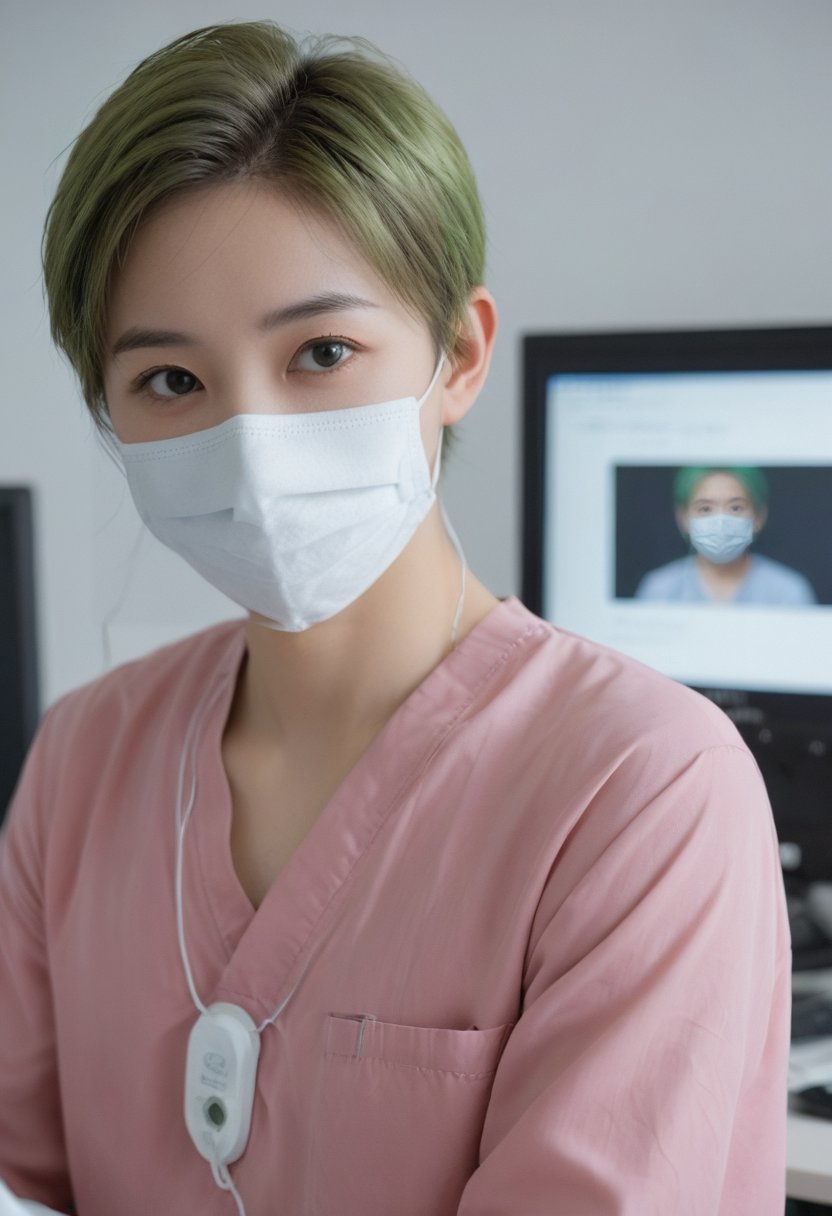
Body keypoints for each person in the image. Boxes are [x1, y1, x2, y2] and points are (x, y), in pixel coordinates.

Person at [0, 21, 791, 1216]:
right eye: (171, 381)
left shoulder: (642, 787)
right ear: (108, 414)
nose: (252, 446)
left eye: (321, 352)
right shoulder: (84, 760)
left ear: (459, 355)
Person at [635, 465, 817, 604]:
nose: (720, 520)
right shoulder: (658, 590)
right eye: (705, 508)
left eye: (735, 508)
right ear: (683, 518)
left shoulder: (788, 591)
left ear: (758, 517)